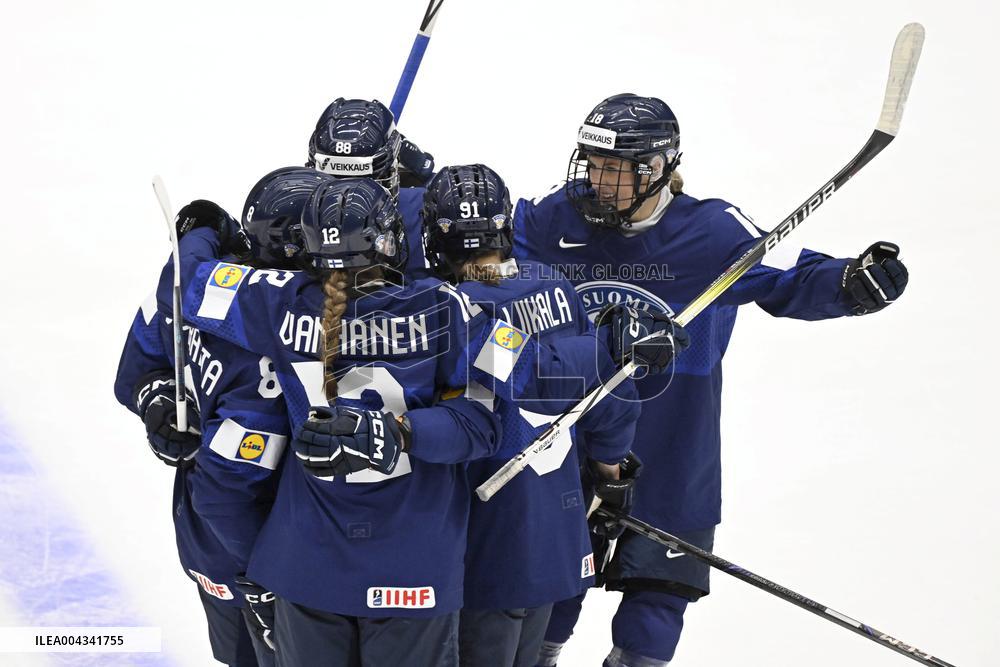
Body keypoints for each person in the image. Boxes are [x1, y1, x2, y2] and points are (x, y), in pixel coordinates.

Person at [514, 93, 910, 667]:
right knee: (548, 601)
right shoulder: (556, 217)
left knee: (655, 608)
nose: (597, 181)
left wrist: (848, 284)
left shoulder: (711, 231)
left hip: (674, 445)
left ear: (655, 169)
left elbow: (785, 279)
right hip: (572, 447)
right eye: (591, 164)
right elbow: (493, 276)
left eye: (613, 169)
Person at [169, 174, 512, 666]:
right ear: (393, 241)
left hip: (306, 567)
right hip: (412, 566)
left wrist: (204, 225)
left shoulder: (277, 300)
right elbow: (483, 425)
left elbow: (181, 282)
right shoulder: (447, 307)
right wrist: (399, 432)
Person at [421, 164, 684, 667]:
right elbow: (609, 398)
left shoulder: (449, 311)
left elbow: (526, 378)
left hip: (484, 538)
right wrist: (608, 473)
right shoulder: (555, 284)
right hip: (556, 530)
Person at [114, 199, 284, 667]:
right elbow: (225, 493)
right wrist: (158, 403)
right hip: (262, 561)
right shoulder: (282, 334)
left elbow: (142, 360)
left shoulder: (193, 278)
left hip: (213, 547)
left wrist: (205, 230)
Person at [307, 98, 434, 278]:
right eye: (338, 179)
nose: (349, 192)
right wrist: (422, 168)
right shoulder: (424, 203)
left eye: (363, 179)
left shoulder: (297, 215)